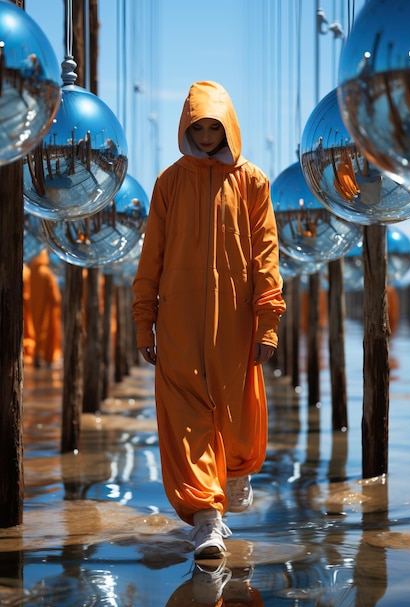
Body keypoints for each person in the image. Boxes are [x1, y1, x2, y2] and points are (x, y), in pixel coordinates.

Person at [132, 80, 286, 560]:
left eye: (212, 126)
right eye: (196, 127)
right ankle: (207, 521)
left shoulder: (252, 182)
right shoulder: (169, 182)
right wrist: (145, 321)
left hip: (236, 322)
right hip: (177, 323)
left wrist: (267, 321)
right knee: (185, 419)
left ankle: (236, 471)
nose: (203, 136)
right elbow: (150, 257)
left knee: (237, 411)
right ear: (185, 127)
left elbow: (265, 254)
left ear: (228, 126)